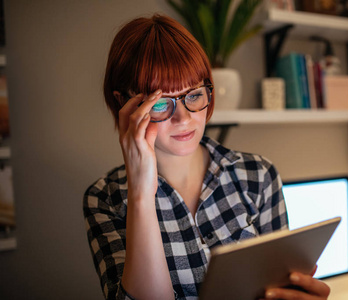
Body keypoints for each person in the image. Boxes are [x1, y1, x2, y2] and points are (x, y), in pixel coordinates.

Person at [83, 14, 330, 300]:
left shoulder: (258, 175)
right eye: (162, 103)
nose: (184, 118)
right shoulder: (105, 199)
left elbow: (281, 288)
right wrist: (140, 194)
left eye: (194, 94)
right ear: (123, 103)